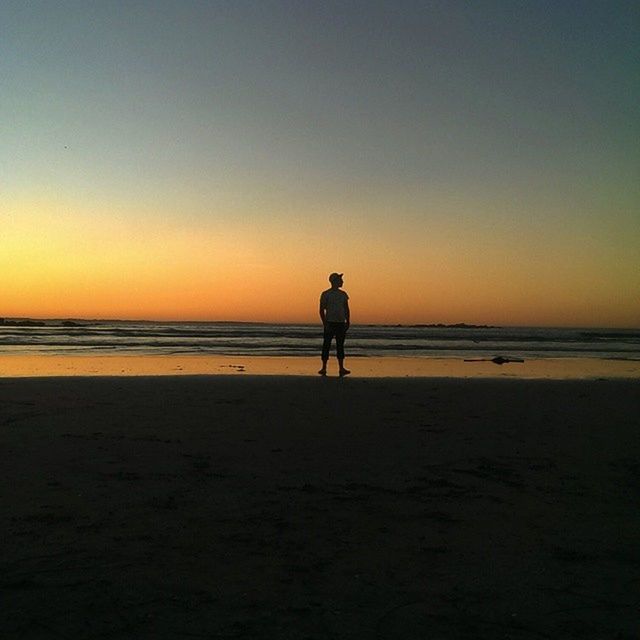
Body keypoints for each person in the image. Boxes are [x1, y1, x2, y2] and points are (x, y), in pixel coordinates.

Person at [318, 272, 350, 376]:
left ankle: (341, 368)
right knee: (326, 345)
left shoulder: (343, 294)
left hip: (340, 323)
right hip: (330, 322)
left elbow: (346, 308)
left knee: (340, 345)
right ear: (335, 281)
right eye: (340, 280)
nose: (342, 282)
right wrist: (325, 323)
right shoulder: (326, 294)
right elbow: (321, 310)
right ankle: (323, 367)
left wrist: (348, 321)